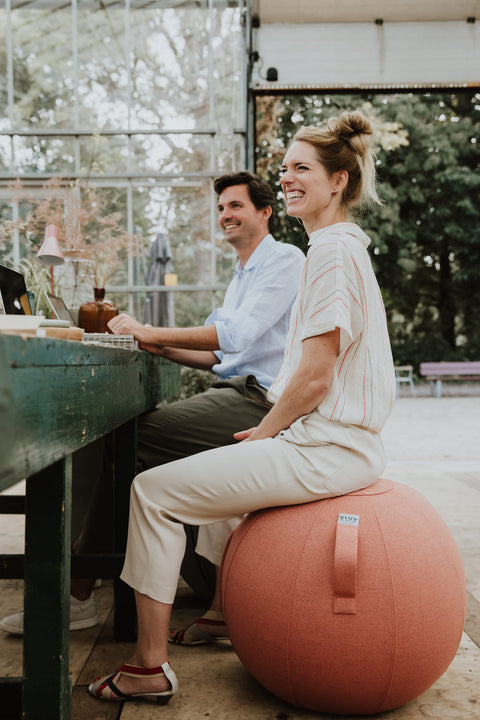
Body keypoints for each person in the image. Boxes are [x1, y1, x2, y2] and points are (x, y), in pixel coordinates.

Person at [88, 110, 396, 704]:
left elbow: (311, 377)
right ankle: (223, 614)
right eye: (284, 168)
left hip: (328, 445)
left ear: (339, 180)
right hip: (334, 440)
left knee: (150, 492)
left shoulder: (328, 254)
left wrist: (265, 434)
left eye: (302, 168)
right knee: (222, 486)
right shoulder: (335, 249)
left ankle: (146, 668)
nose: (287, 178)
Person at [0, 171, 305, 637]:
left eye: (236, 206)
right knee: (117, 437)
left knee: (127, 438)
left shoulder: (283, 260)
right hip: (231, 390)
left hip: (258, 403)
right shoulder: (242, 275)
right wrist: (158, 347)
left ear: (265, 213)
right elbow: (217, 356)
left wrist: (149, 331)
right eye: (221, 207)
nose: (225, 214)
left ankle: (79, 590)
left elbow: (236, 336)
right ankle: (90, 572)